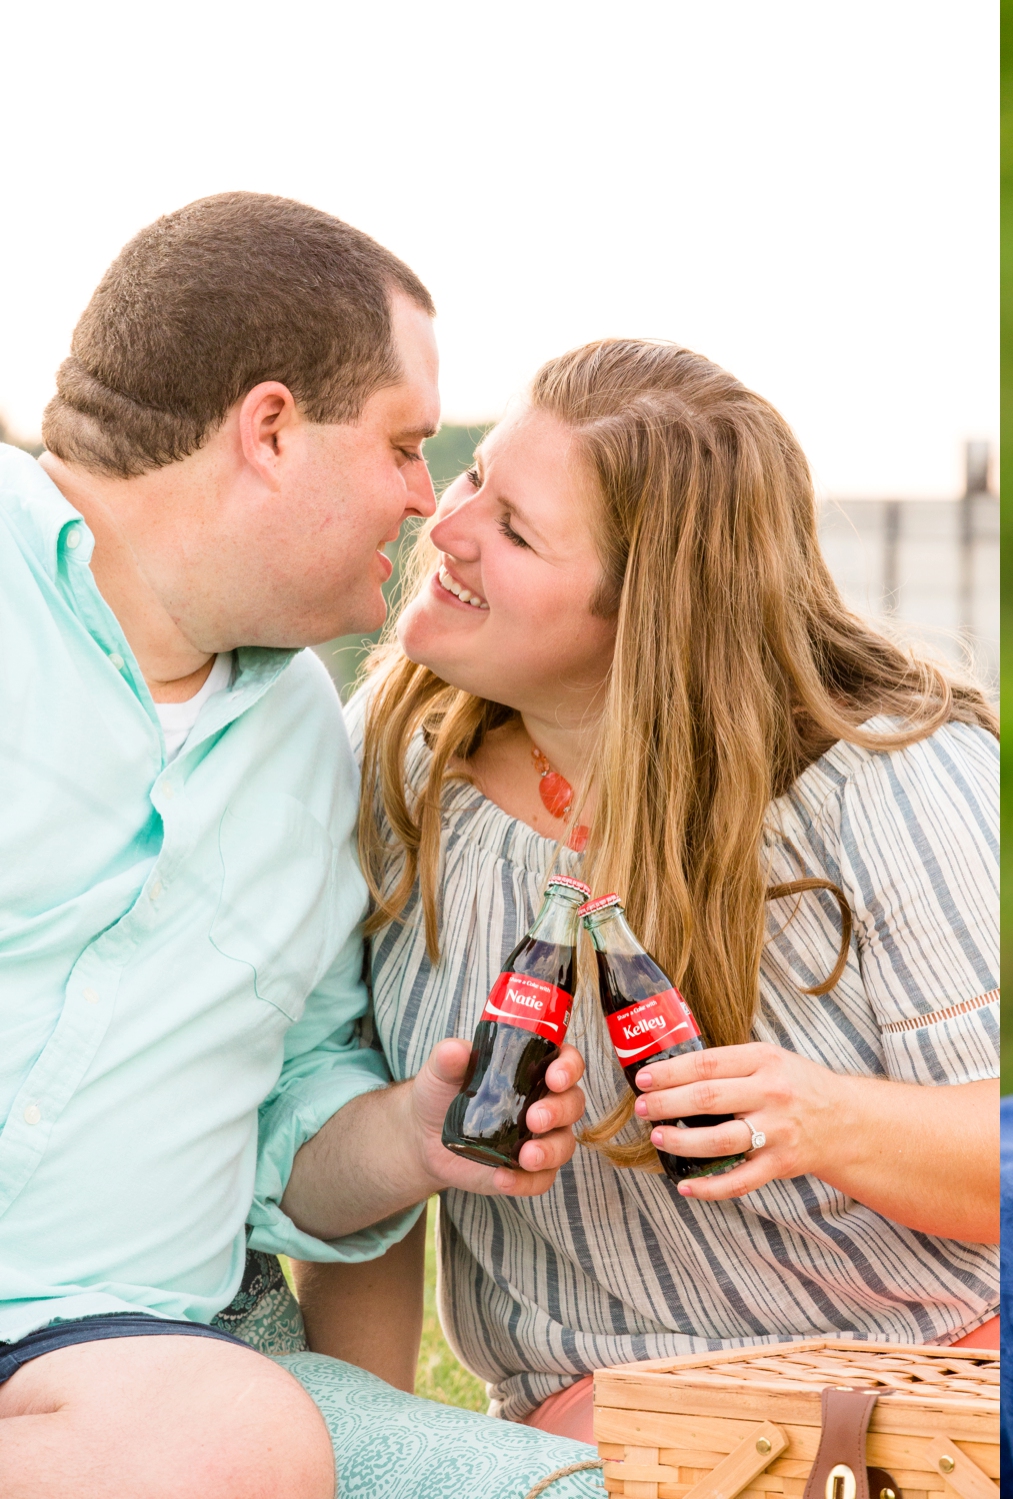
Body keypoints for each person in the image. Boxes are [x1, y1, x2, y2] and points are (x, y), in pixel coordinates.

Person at [0, 194, 592, 1499]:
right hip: (181, 1426)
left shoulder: (312, 747)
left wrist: (417, 1134)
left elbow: (297, 1141)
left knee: (584, 1486)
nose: (429, 503)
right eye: (404, 444)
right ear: (270, 430)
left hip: (143, 1364)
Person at [305, 338, 999, 1438]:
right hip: (611, 1420)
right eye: (479, 472)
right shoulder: (391, 766)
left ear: (648, 614)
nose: (446, 522)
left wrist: (827, 1117)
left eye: (516, 528)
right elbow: (353, 1178)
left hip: (940, 1383)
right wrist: (368, 1453)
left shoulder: (888, 778)